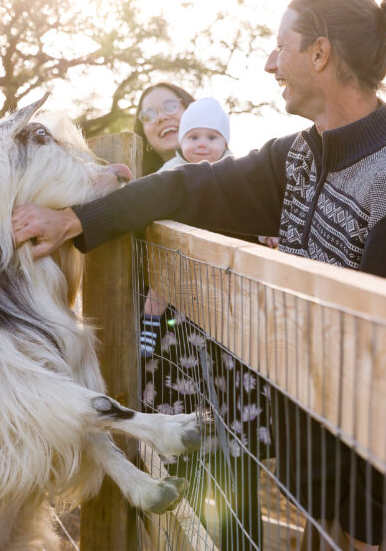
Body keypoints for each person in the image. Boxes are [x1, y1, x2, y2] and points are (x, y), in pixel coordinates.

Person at [12, 0, 386, 550]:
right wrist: (79, 219)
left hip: (380, 506)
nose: (270, 62)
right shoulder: (301, 156)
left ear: (320, 54)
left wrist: (372, 523)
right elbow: (189, 186)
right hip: (322, 489)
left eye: (283, 47)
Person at [142, 95, 270, 549]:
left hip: (230, 339)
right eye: (193, 137)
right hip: (177, 344)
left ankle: (236, 539)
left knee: (233, 466)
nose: (199, 143)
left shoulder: (238, 180)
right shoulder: (156, 182)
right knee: (185, 458)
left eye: (209, 137)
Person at [134, 82, 196, 176]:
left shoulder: (225, 169)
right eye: (149, 115)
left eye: (171, 106)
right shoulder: (139, 188)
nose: (161, 117)